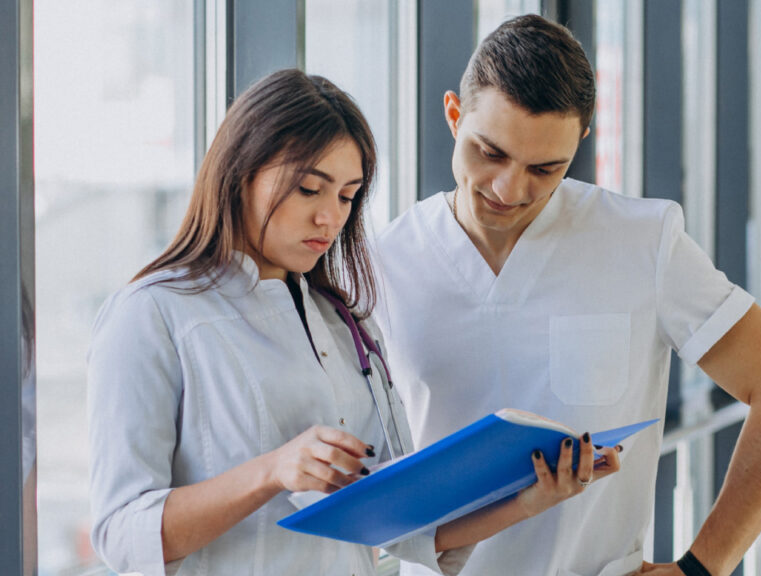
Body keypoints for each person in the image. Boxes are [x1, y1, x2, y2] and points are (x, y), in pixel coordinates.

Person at [87, 69, 618, 576]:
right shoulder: (152, 313)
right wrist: (270, 471)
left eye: (346, 195)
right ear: (241, 172)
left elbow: (402, 524)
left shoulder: (345, 324)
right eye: (309, 190)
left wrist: (533, 498)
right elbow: (120, 533)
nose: (330, 218)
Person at [374, 14, 761, 576]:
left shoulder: (643, 240)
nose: (510, 190)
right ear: (453, 114)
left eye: (545, 168)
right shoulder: (382, 261)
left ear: (580, 142)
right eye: (489, 152)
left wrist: (702, 568)